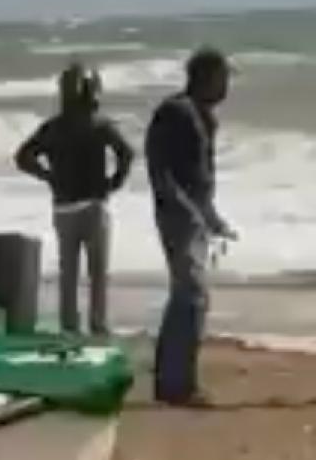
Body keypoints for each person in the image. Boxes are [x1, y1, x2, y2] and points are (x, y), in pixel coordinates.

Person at [145, 47, 236, 406]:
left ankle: (170, 381)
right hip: (176, 216)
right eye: (223, 78)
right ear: (207, 77)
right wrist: (188, 210)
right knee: (192, 295)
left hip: (194, 216)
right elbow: (159, 170)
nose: (227, 86)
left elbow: (201, 177)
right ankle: (180, 384)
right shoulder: (175, 111)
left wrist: (213, 218)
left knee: (186, 297)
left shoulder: (205, 117)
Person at [15, 63, 133, 336]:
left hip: (64, 208)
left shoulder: (52, 128)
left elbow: (22, 157)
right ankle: (98, 327)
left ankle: (69, 328)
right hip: (94, 205)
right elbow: (126, 154)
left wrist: (48, 176)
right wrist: (115, 182)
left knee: (68, 274)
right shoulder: (100, 124)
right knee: (97, 275)